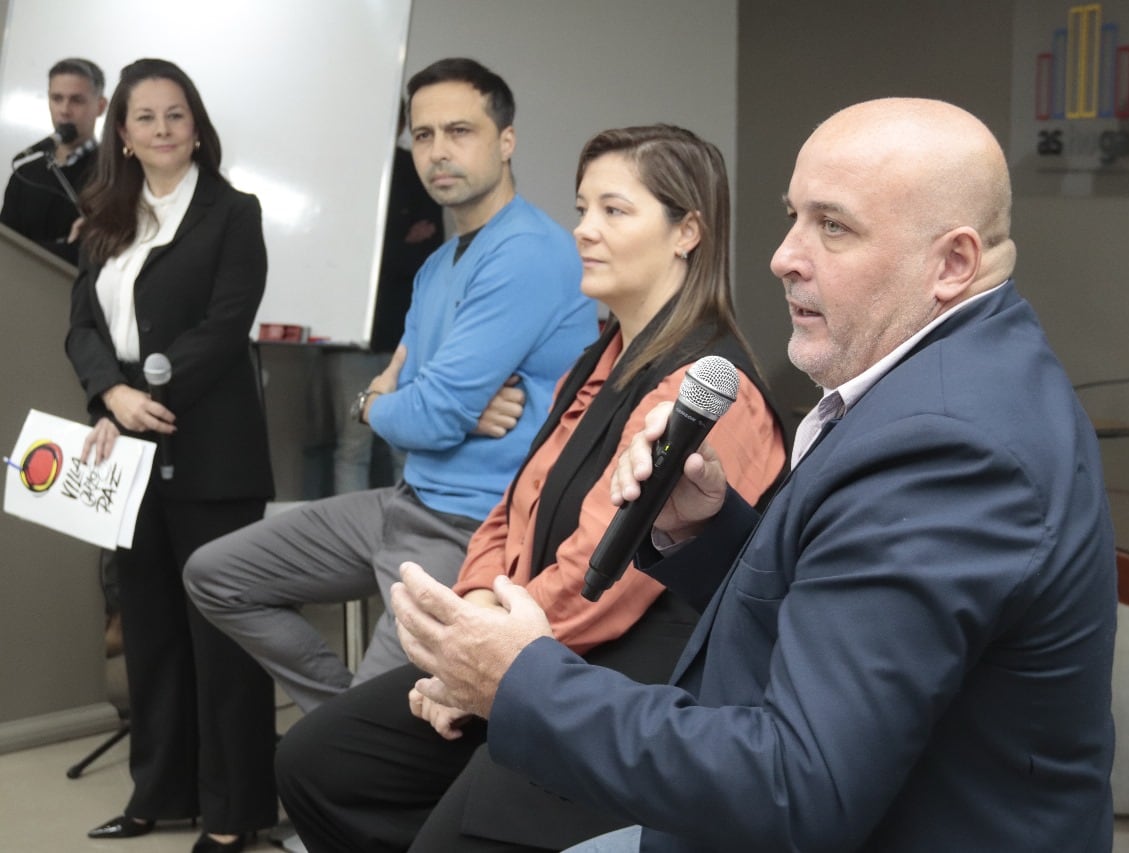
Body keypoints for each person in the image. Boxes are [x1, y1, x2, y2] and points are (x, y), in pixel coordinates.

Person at [385, 98, 1118, 852]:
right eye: (793, 216)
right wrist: (706, 529)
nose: (784, 256)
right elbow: (840, 598)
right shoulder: (952, 367)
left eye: (832, 226)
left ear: (953, 263)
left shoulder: (946, 448)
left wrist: (520, 680)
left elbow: (795, 786)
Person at [275, 123, 788, 853]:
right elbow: (512, 506)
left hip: (625, 685)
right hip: (533, 643)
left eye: (614, 210)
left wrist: (473, 660)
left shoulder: (709, 390)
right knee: (316, 761)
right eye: (582, 209)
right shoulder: (599, 355)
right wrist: (478, 606)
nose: (584, 230)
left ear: (687, 232)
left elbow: (598, 579)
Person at [184, 58, 597, 713]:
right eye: (423, 135)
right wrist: (394, 403)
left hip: (473, 524)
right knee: (216, 574)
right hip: (407, 498)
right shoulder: (437, 266)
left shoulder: (528, 252)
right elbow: (418, 400)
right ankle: (349, 718)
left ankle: (351, 736)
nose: (437, 151)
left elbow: (425, 411)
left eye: (459, 131)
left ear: (506, 140)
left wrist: (382, 405)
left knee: (350, 745)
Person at [65, 58, 277, 853]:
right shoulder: (105, 217)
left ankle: (235, 810)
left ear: (197, 126)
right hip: (123, 448)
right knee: (150, 630)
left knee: (222, 640)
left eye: (175, 115)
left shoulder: (234, 212)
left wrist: (146, 394)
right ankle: (161, 792)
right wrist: (109, 397)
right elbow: (82, 326)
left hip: (210, 453)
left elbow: (225, 327)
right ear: (121, 132)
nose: (161, 130)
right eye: (145, 117)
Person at [325, 100, 445, 495]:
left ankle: (400, 527)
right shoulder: (344, 173)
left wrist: (388, 249)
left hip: (406, 335)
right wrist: (399, 243)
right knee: (352, 443)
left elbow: (430, 254)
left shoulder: (419, 173)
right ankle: (347, 534)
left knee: (403, 444)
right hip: (347, 335)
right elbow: (342, 254)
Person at [1, 57, 107, 263]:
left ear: (100, 106)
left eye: (76, 100)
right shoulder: (25, 174)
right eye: (57, 98)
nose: (64, 110)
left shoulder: (113, 173)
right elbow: (6, 247)